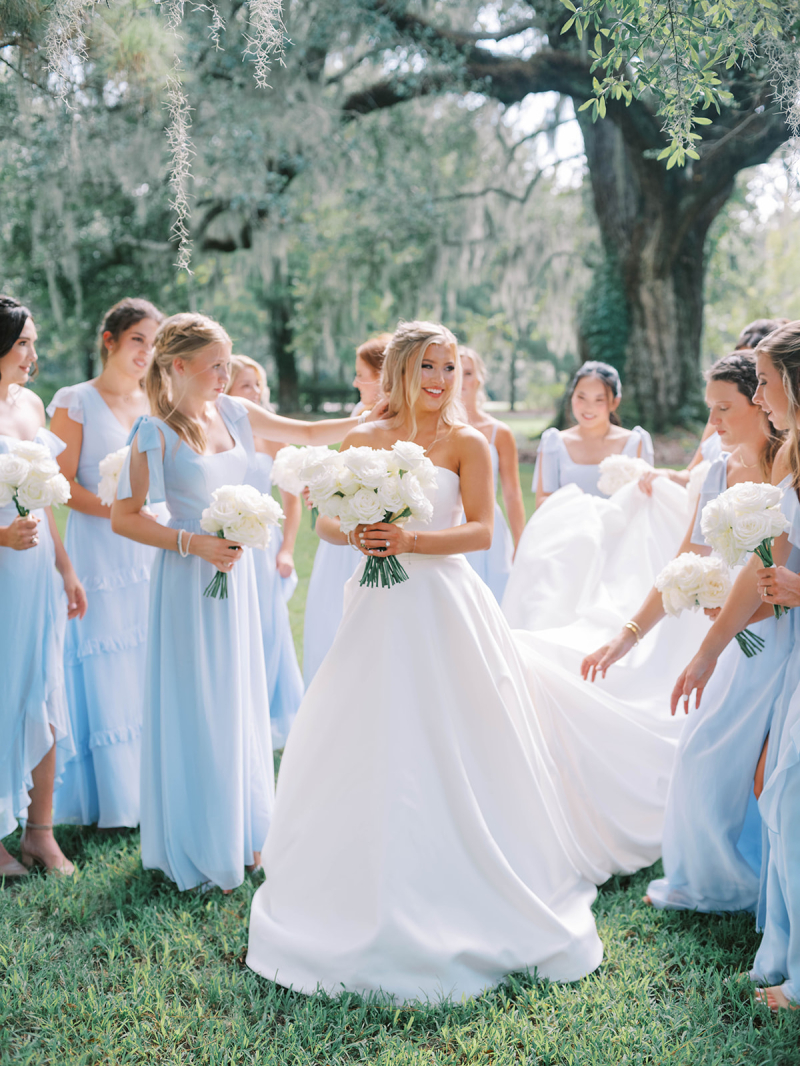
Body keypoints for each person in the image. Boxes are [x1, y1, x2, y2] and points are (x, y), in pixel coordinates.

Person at [247, 320, 603, 1002]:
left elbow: (480, 530)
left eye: (449, 367)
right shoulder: (364, 438)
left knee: (453, 733)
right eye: (429, 367)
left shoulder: (469, 441)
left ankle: (466, 873)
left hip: (443, 604)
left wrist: (409, 537)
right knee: (367, 730)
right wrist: (357, 530)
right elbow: (324, 519)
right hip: (375, 611)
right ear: (401, 372)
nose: (441, 380)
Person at [111, 313, 387, 892]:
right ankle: (199, 839)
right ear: (178, 366)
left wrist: (374, 418)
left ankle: (245, 832)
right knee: (200, 699)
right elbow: (124, 517)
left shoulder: (235, 411)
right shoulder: (153, 432)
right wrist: (194, 542)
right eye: (215, 366)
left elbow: (307, 434)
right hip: (189, 578)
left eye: (228, 363)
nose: (225, 374)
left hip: (240, 578)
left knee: (240, 694)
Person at [582, 351, 786, 912]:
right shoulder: (717, 471)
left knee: (765, 769)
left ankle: (756, 882)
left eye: (724, 409)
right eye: (710, 409)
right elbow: (686, 559)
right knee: (701, 759)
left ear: (761, 404)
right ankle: (714, 884)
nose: (712, 423)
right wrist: (627, 634)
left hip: (777, 638)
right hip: (729, 639)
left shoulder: (787, 468)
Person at [48, 298, 164, 829]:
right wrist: (119, 508)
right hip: (99, 546)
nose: (147, 351)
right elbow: (61, 483)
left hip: (148, 546)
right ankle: (110, 798)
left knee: (145, 658)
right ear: (109, 340)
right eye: (138, 338)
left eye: (154, 341)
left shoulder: (154, 401)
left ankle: (149, 791)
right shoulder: (76, 401)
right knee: (105, 658)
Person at [0, 295, 86, 876]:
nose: (33, 353)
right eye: (24, 341)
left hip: (34, 574)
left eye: (33, 341)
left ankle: (40, 833)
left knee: (43, 689)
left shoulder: (31, 404)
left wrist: (65, 567)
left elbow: (48, 497)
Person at [502, 361, 674, 634]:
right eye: (580, 397)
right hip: (569, 540)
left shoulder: (635, 441)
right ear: (571, 398)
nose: (587, 407)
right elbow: (544, 499)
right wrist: (578, 503)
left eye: (598, 400)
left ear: (614, 402)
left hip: (621, 541)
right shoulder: (555, 442)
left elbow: (648, 497)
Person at [302, 334, 391, 685]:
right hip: (345, 534)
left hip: (377, 537)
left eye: (360, 374)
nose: (355, 382)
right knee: (331, 621)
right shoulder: (360, 416)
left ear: (383, 376)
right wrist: (326, 489)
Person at [226, 354, 303, 749]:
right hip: (225, 542)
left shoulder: (273, 436)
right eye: (245, 385)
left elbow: (293, 503)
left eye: (258, 385)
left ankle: (268, 714)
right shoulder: (217, 431)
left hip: (264, 546)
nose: (255, 392)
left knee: (269, 629)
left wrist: (287, 550)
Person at [459, 346, 524, 601]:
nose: (461, 381)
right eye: (454, 371)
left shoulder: (500, 433)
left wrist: (521, 543)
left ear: (479, 379)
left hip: (488, 526)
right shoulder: (435, 429)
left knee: (494, 596)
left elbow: (512, 493)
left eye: (468, 373)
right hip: (448, 522)